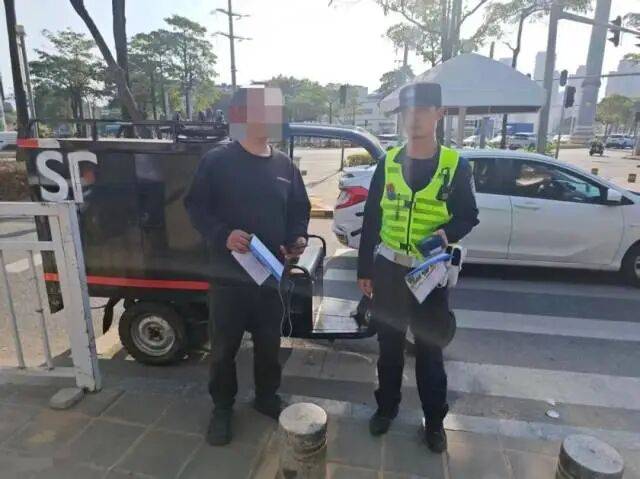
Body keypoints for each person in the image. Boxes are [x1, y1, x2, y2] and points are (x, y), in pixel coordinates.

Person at [357, 83, 479, 453]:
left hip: (430, 273)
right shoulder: (389, 162)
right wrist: (365, 270)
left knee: (430, 352)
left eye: (423, 110)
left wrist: (446, 234)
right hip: (389, 270)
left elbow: (469, 215)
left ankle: (435, 421)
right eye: (408, 111)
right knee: (389, 348)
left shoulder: (455, 165)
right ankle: (386, 408)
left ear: (439, 114)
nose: (415, 118)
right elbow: (372, 218)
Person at [185, 86, 310, 446]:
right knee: (224, 348)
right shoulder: (218, 161)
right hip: (229, 279)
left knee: (269, 344)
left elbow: (298, 209)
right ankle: (223, 408)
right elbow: (195, 207)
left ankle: (266, 397)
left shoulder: (285, 165)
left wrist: (298, 238)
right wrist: (223, 234)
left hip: (271, 277)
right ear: (242, 116)